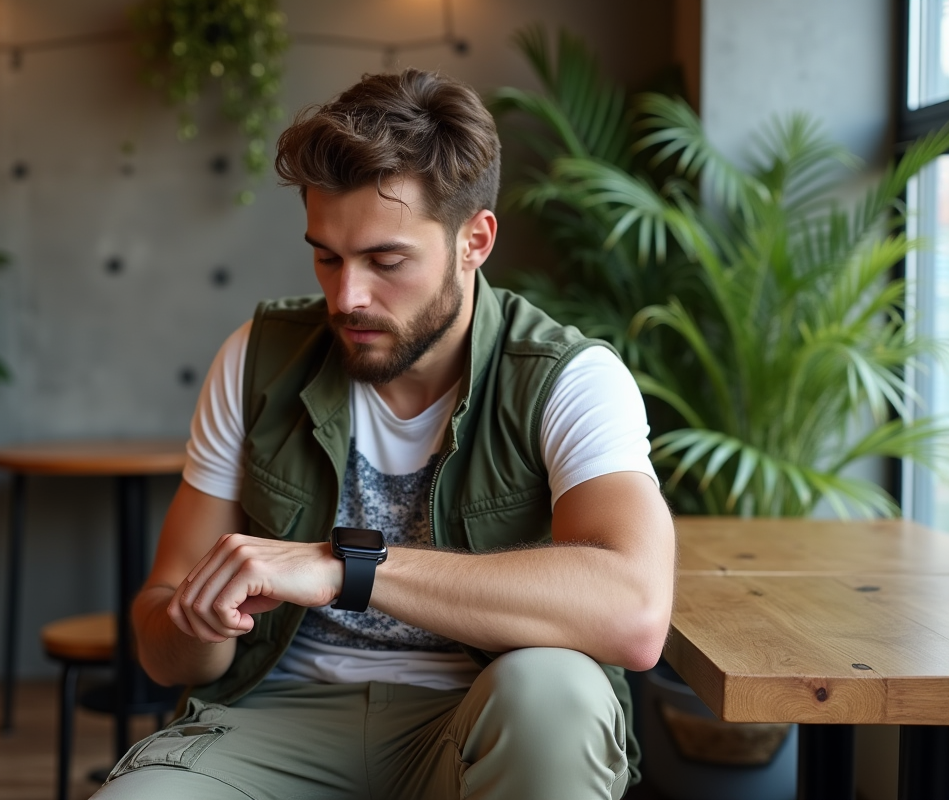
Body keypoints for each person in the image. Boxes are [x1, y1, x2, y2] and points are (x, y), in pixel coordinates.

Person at [92, 68, 675, 800]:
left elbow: (634, 612)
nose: (348, 297)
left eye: (386, 261)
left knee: (553, 691)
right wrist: (199, 622)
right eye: (327, 257)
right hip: (277, 721)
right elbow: (161, 643)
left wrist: (345, 569)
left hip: (480, 718)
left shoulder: (568, 379)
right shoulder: (257, 359)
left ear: (476, 240)